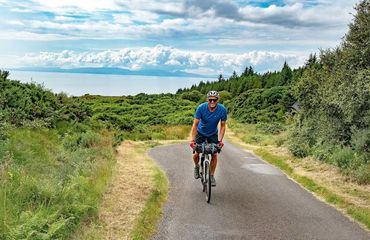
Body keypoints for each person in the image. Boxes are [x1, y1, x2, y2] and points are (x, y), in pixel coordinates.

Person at [190, 90, 227, 187]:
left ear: (217, 100)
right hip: (200, 132)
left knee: (214, 154)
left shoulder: (222, 109)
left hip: (213, 134)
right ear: (207, 99)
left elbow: (222, 126)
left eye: (214, 100)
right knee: (196, 153)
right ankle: (197, 167)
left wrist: (220, 141)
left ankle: (211, 176)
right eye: (210, 100)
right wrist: (193, 140)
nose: (212, 102)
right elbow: (195, 125)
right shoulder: (201, 108)